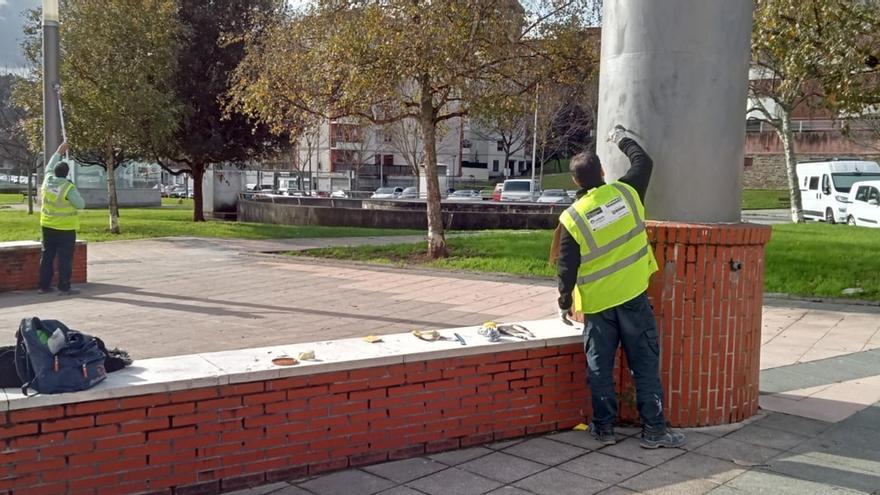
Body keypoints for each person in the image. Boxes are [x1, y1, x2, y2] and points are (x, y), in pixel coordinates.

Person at [556, 125, 685, 449]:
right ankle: (654, 431)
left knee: (600, 368)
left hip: (598, 306)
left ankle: (603, 428)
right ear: (601, 171)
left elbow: (566, 266)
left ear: (575, 181)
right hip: (633, 297)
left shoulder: (573, 218)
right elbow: (644, 162)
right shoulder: (626, 192)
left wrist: (563, 301)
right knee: (644, 365)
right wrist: (620, 139)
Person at [39, 141, 85, 296]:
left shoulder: (47, 179)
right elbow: (80, 205)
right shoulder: (68, 187)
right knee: (65, 259)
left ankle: (44, 286)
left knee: (47, 256)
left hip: (47, 225)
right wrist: (72, 186)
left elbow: (50, 166)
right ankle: (64, 287)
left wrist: (59, 151)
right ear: (67, 174)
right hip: (65, 229)